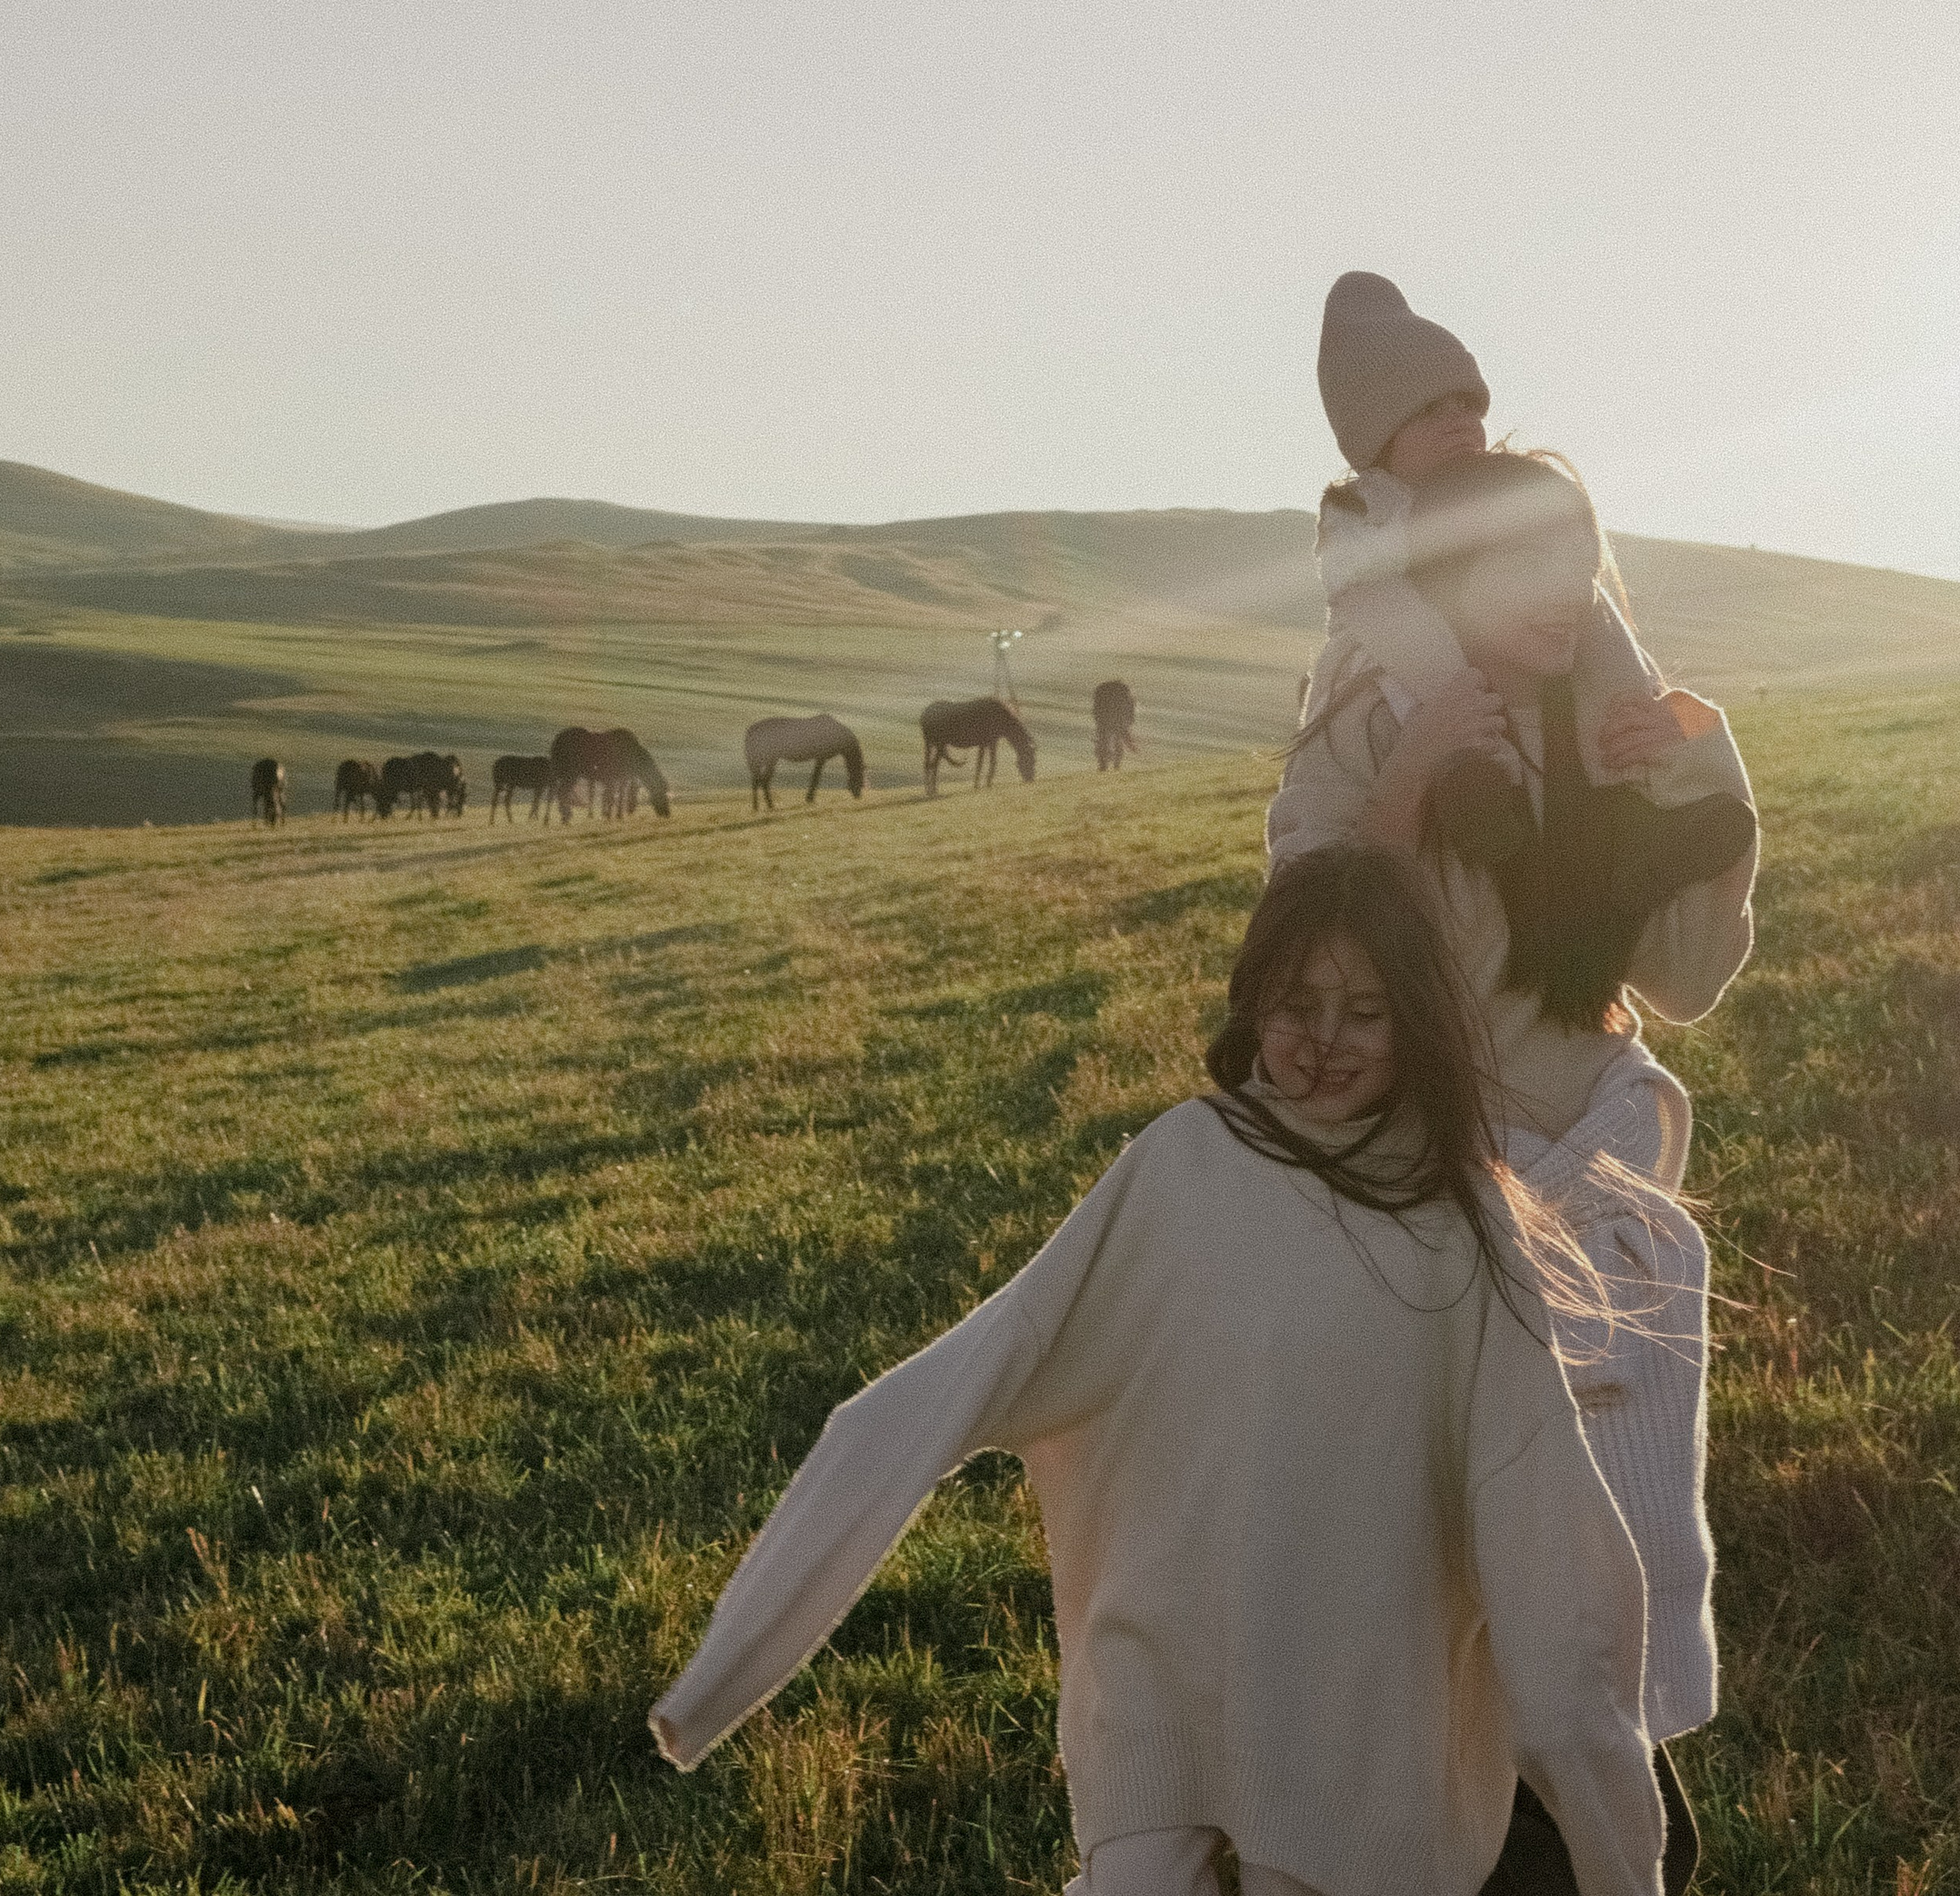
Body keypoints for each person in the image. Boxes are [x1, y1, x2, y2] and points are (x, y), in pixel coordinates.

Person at [652, 846, 1668, 1896]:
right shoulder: (1182, 1164)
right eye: (1294, 1002)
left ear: (1417, 1018)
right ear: (1250, 1004)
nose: (1322, 1040)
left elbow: (1549, 1547)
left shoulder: (1461, 1228)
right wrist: (723, 1676)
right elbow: (945, 1387)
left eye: (1363, 1010)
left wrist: (1613, 1849)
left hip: (1352, 1734)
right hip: (1158, 1691)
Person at [1290, 445, 1759, 1896]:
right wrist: (1421, 772)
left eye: (1579, 557)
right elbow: (1301, 980)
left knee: (1608, 1582)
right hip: (1433, 1204)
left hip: (1599, 1197)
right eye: (1516, 561)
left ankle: (1603, 1803)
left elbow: (1685, 975)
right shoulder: (1369, 717)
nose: (1560, 593)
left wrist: (1696, 764)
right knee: (1456, 1606)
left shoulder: (1598, 727)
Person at [1268, 273, 1731, 868]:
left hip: (1581, 829)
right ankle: (1481, 784)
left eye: (1469, 405)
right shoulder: (1366, 544)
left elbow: (1598, 622)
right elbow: (1380, 621)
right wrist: (1423, 763)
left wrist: (1667, 724)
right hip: (1444, 752)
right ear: (1376, 436)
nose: (1460, 421)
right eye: (1430, 410)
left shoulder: (1522, 510)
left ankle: (1642, 788)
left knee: (1619, 670)